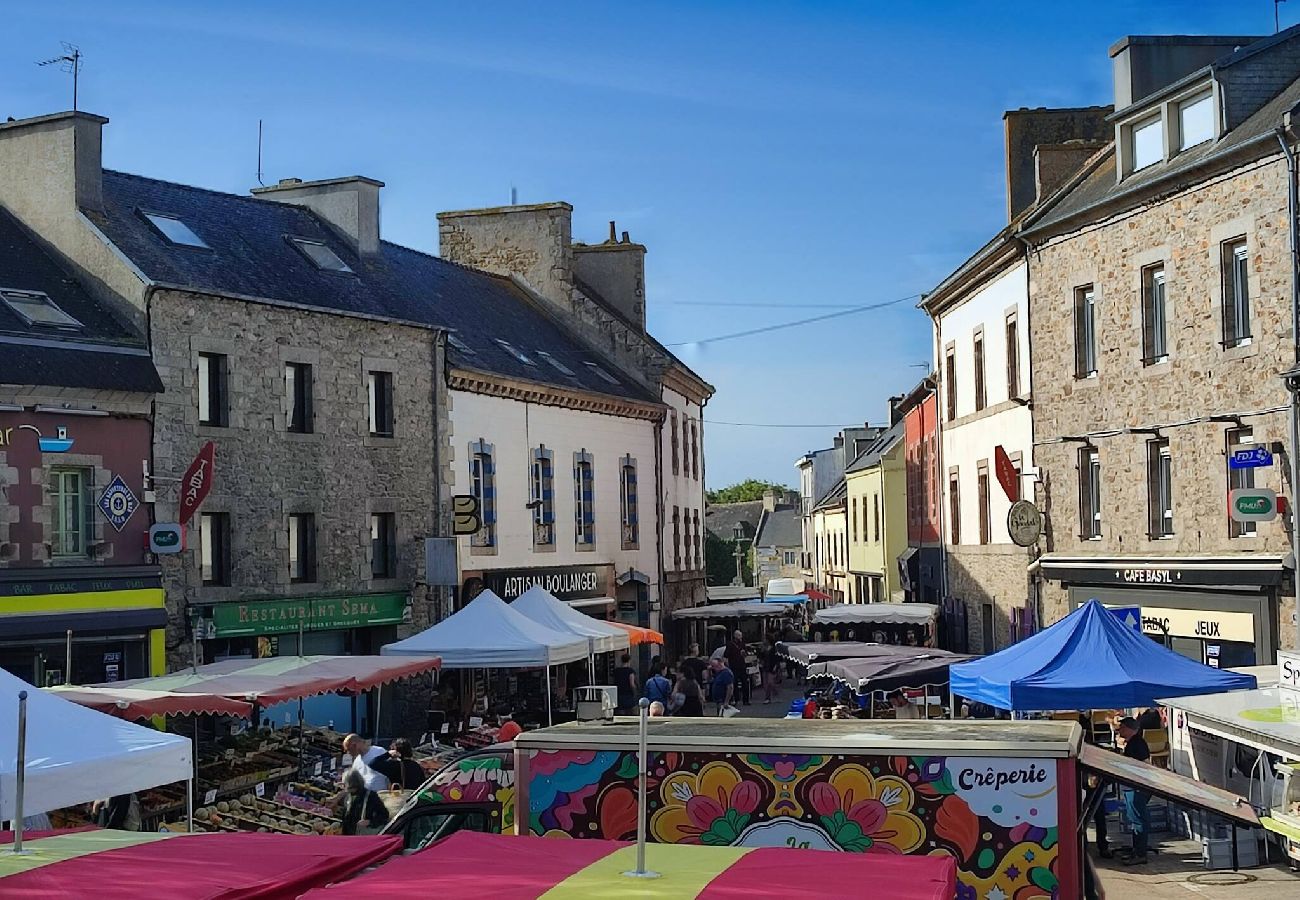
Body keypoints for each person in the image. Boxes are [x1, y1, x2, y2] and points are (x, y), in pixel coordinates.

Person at [1116, 717, 1152, 864]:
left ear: (1131, 729)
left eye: (1122, 727)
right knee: (1135, 819)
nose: (1120, 730)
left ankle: (1140, 854)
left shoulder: (1138, 743)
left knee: (1138, 820)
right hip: (1133, 786)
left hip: (1137, 787)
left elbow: (1144, 765)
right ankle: (1137, 849)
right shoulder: (1133, 743)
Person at [339, 769, 390, 836]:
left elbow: (384, 815)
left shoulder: (371, 796)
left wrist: (370, 822)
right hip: (348, 836)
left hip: (363, 836)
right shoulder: (347, 796)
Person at [724, 630, 750, 706]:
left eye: (741, 636)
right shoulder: (730, 644)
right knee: (734, 684)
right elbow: (726, 655)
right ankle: (735, 699)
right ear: (735, 636)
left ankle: (746, 700)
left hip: (742, 666)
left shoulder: (742, 644)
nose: (740, 637)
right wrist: (728, 665)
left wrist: (744, 653)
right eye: (739, 636)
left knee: (745, 683)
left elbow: (745, 654)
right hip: (733, 666)